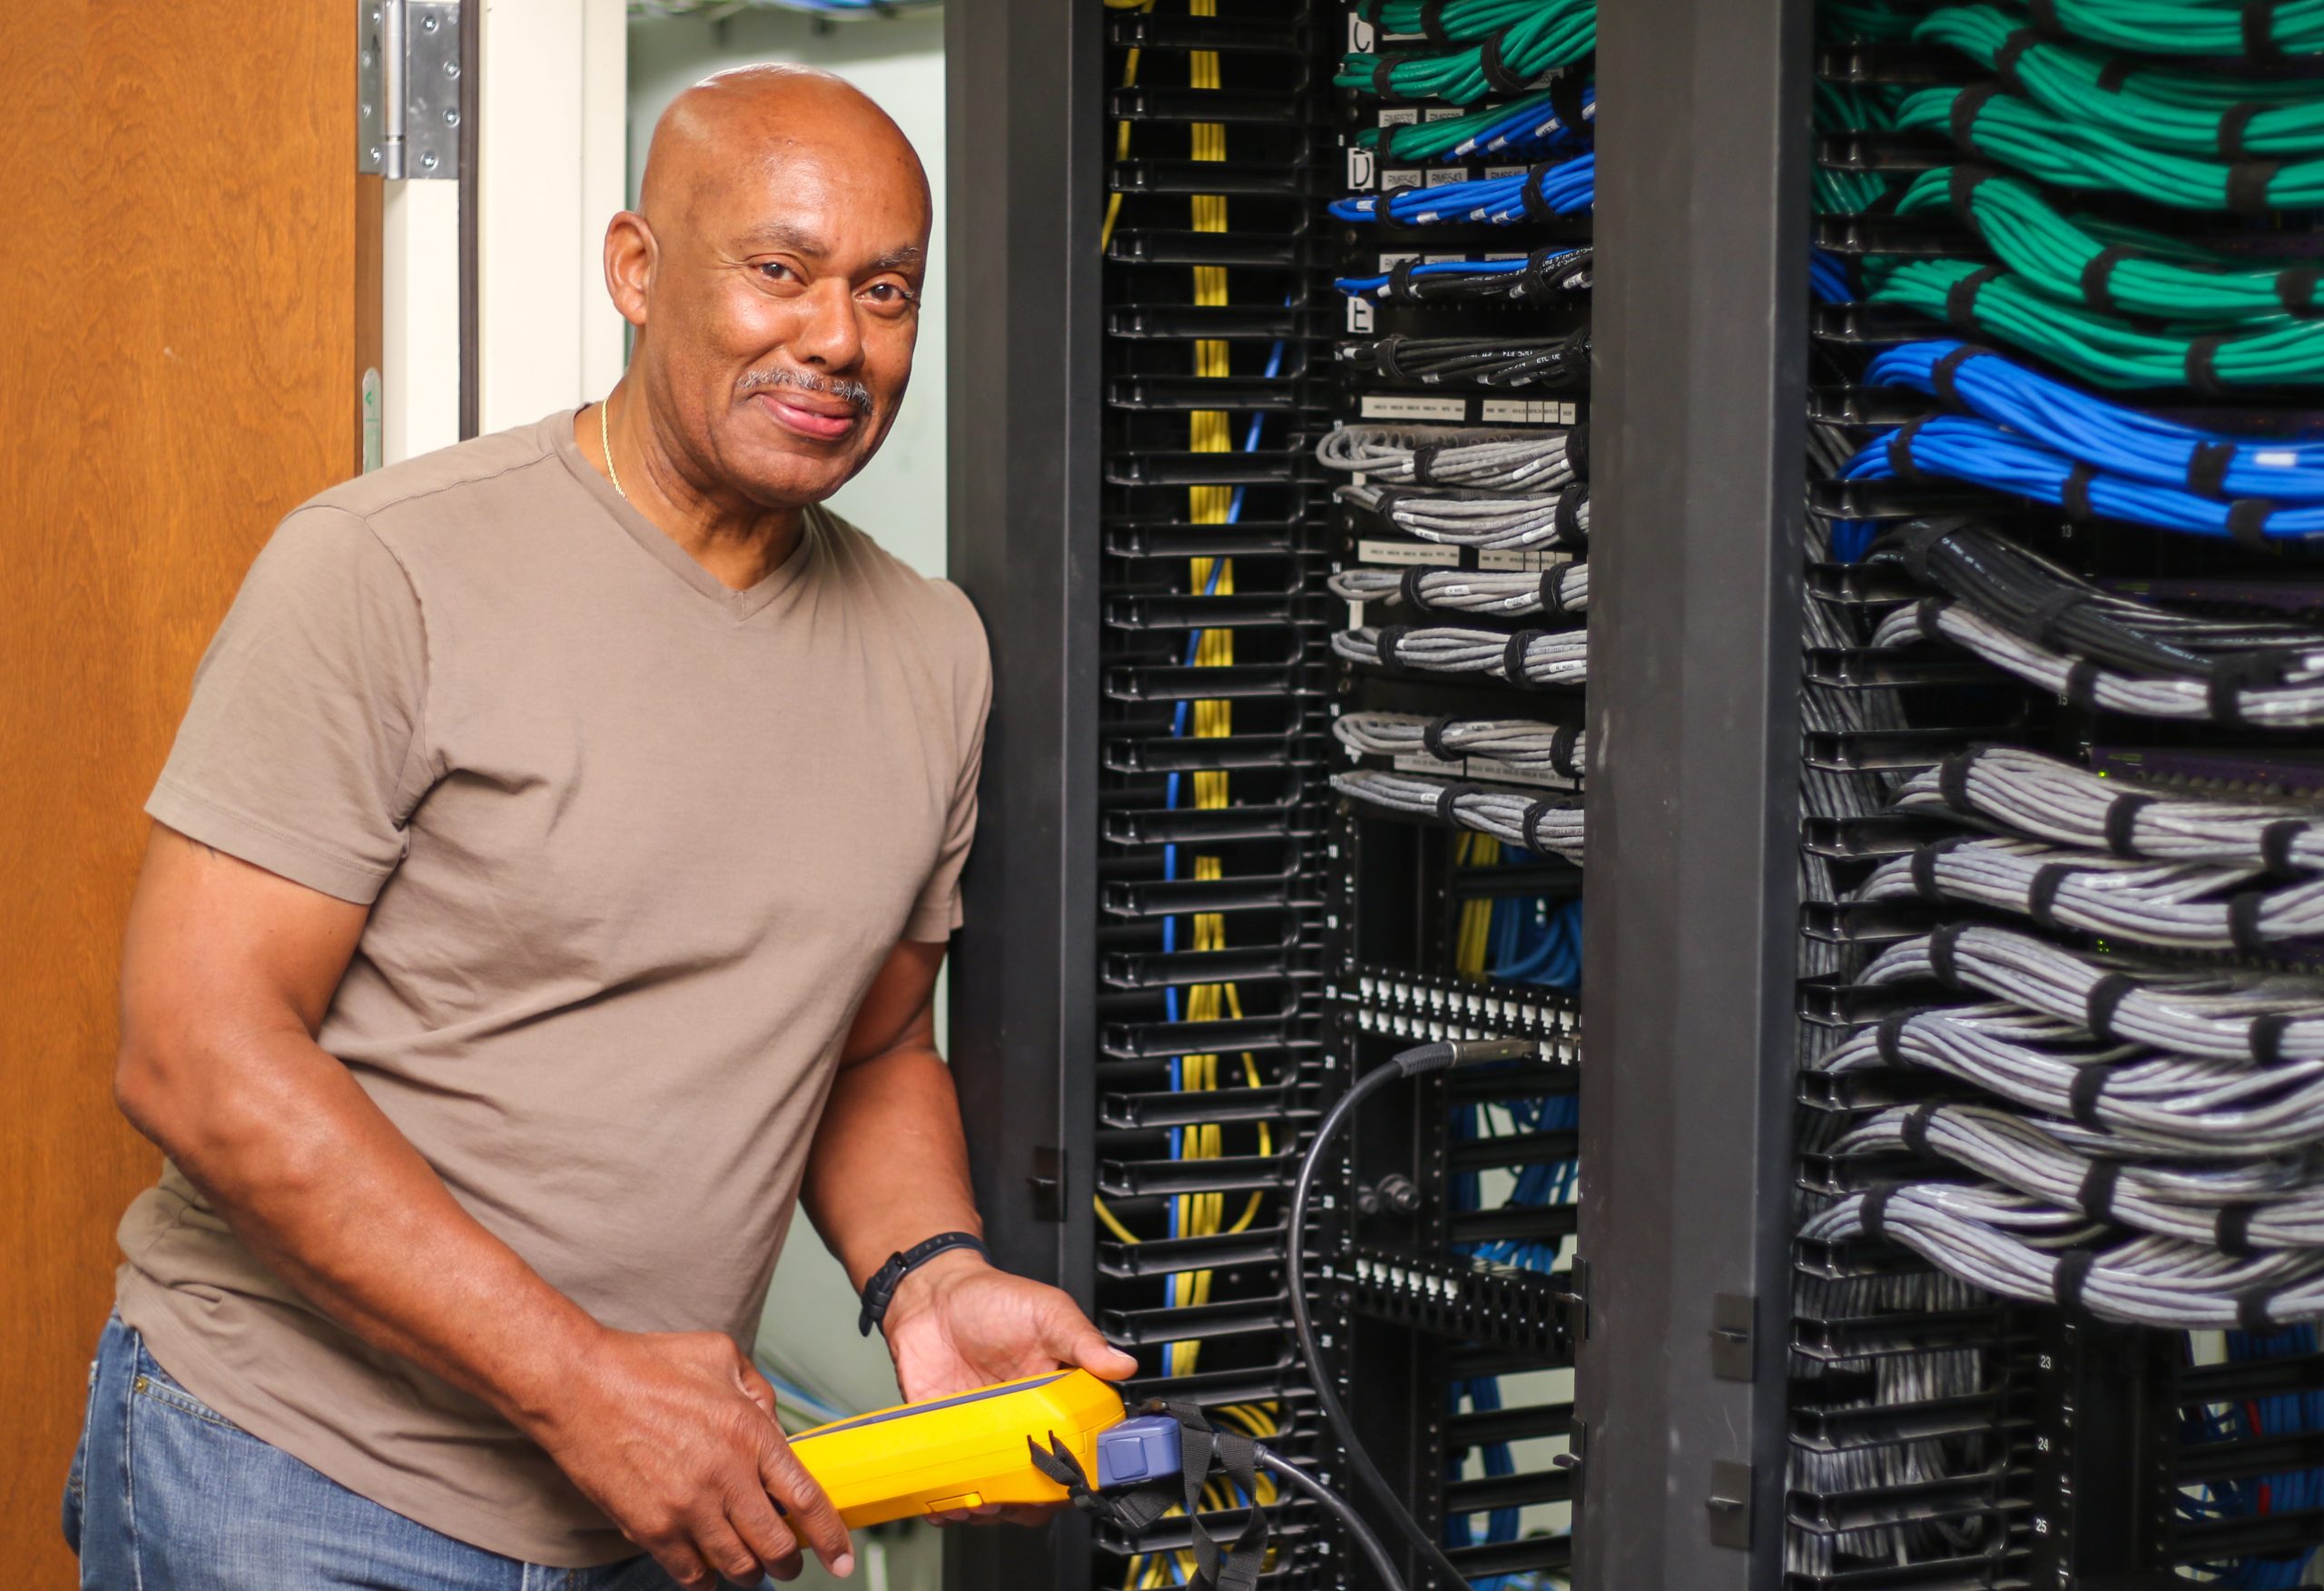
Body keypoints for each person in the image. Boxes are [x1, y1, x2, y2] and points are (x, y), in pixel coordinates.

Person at [64, 64, 1135, 1591]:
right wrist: (579, 1382)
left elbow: (872, 1045)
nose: (835, 337)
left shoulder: (929, 652)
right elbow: (197, 1051)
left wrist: (928, 1277)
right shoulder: (385, 572)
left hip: (665, 1512)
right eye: (779, 271)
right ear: (637, 270)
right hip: (289, 1483)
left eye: (885, 291)